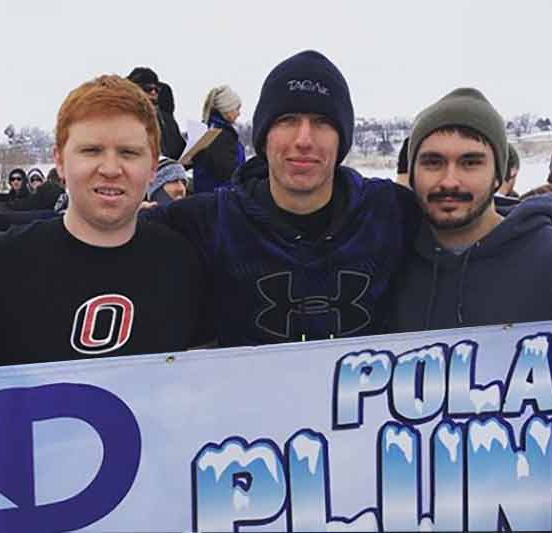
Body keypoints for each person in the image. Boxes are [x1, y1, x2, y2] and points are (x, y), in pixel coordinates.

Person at [143, 50, 419, 347]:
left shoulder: (389, 211)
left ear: (342, 138)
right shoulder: (209, 222)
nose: (303, 140)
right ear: (264, 135)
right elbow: (109, 237)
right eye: (287, 120)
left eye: (322, 122)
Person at [0, 74, 208, 368]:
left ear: (152, 166)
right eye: (91, 151)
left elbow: (197, 381)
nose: (111, 169)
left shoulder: (181, 263)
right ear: (60, 161)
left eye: (128, 152)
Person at [389, 88, 552, 332]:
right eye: (433, 162)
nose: (449, 181)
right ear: (412, 174)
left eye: (470, 163)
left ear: (498, 175)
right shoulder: (386, 262)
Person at [192, 85, 246, 193]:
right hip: (221, 200)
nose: (239, 113)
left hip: (208, 197)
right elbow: (228, 171)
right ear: (226, 108)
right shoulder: (220, 135)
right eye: (237, 108)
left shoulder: (208, 130)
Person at [128, 67, 186, 160]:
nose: (154, 92)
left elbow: (179, 151)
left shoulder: (167, 119)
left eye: (157, 89)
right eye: (147, 89)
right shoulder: (124, 120)